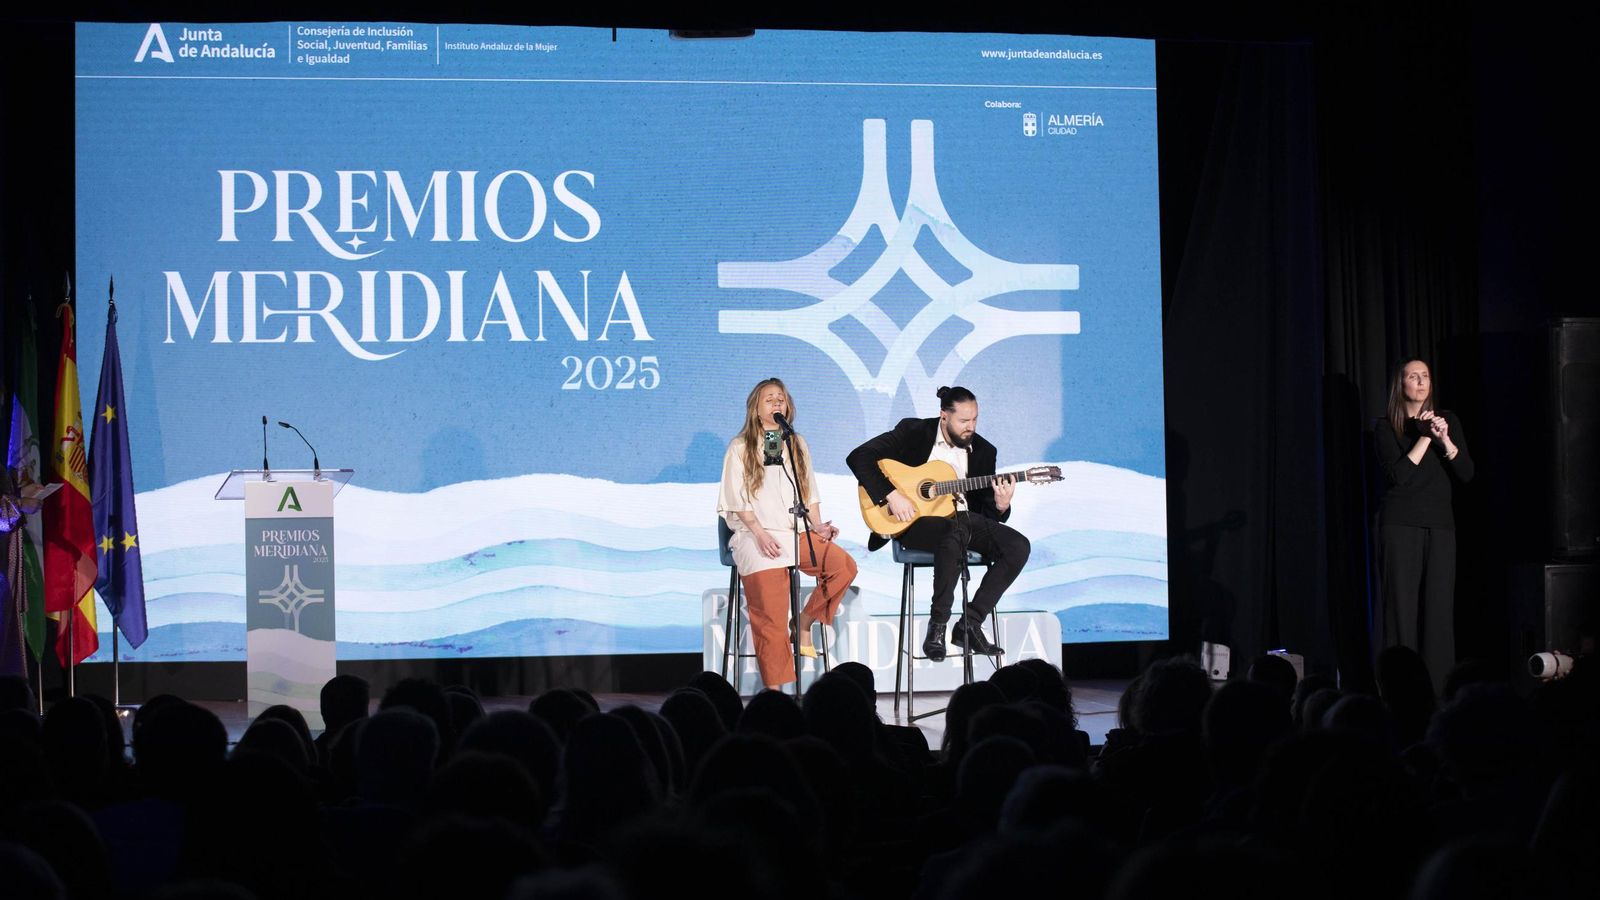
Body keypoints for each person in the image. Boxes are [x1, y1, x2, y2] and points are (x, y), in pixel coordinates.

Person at [846, 385, 1030, 662]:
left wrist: (1002, 505)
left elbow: (985, 513)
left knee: (1018, 546)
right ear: (944, 416)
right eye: (964, 421)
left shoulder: (983, 451)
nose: (971, 427)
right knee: (952, 532)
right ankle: (938, 626)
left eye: (975, 419)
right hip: (916, 522)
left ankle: (969, 624)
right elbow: (859, 457)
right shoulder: (914, 432)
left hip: (965, 520)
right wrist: (892, 495)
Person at [717, 378, 859, 691]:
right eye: (769, 399)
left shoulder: (796, 443)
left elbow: (808, 491)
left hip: (795, 532)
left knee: (842, 566)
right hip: (755, 535)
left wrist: (818, 526)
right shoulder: (740, 447)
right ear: (756, 409)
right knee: (771, 615)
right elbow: (736, 499)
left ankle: (805, 621)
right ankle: (776, 695)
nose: (777, 404)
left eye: (781, 398)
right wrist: (758, 533)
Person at [1373, 358, 1473, 689]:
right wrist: (1426, 437)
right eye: (1413, 376)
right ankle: (1400, 690)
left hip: (1441, 526)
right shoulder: (1387, 426)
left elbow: (1466, 473)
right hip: (1400, 526)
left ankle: (1439, 689)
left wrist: (1444, 438)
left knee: (1438, 612)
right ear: (1399, 386)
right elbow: (1399, 476)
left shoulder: (1449, 421)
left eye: (1426, 376)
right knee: (1401, 611)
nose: (1421, 381)